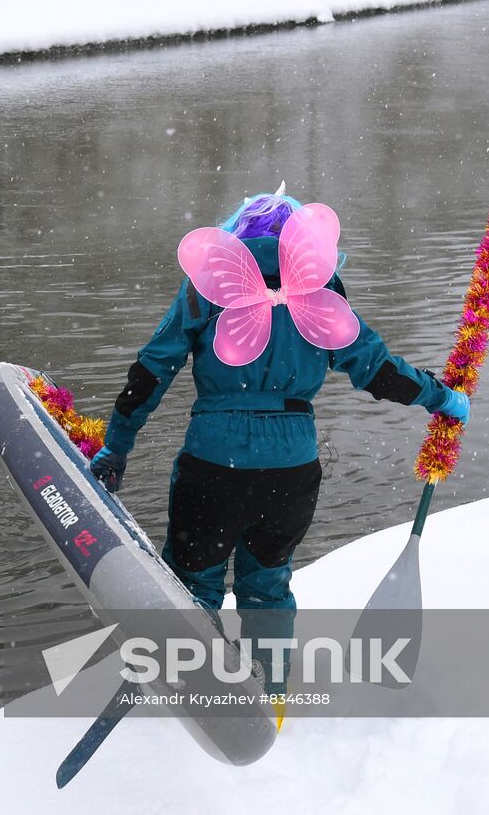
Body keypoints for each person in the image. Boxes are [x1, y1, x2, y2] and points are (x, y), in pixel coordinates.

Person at [89, 187, 469, 695]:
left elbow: (151, 372)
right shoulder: (322, 288)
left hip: (213, 463)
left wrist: (117, 448)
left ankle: (192, 692)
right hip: (291, 471)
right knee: (266, 587)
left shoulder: (209, 285)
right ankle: (271, 697)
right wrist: (441, 398)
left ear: (236, 232)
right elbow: (377, 370)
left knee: (193, 585)